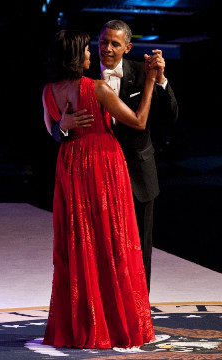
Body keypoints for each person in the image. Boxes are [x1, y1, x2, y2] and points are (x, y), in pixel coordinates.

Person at [41, 29, 158, 349]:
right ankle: (115, 325)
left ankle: (81, 324)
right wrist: (149, 82)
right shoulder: (98, 88)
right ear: (75, 57)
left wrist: (64, 128)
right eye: (86, 51)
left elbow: (54, 134)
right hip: (103, 165)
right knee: (112, 243)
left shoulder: (48, 92)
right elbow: (138, 120)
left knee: (79, 244)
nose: (93, 55)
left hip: (69, 166)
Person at [51, 20, 179, 293]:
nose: (106, 49)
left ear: (128, 48)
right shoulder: (80, 81)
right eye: (102, 42)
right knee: (98, 248)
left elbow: (170, 116)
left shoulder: (143, 73)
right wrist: (63, 125)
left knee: (137, 251)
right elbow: (53, 130)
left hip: (136, 175)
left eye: (115, 44)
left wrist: (161, 80)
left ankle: (138, 315)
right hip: (95, 176)